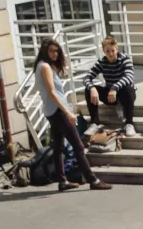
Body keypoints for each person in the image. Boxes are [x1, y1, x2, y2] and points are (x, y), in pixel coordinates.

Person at [34, 38, 111, 192]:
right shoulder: (45, 68)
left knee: (59, 147)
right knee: (78, 146)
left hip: (51, 111)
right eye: (51, 51)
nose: (55, 54)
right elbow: (52, 92)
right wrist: (67, 112)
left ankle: (62, 181)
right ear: (44, 51)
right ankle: (93, 180)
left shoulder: (41, 66)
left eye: (57, 51)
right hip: (58, 111)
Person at [84, 36, 137, 136]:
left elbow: (129, 76)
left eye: (113, 50)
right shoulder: (102, 62)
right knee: (88, 90)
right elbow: (87, 78)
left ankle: (129, 123)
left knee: (128, 88)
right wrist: (92, 88)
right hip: (110, 96)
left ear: (117, 49)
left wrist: (114, 88)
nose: (111, 54)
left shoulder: (125, 59)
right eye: (107, 51)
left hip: (124, 94)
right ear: (104, 51)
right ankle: (95, 123)